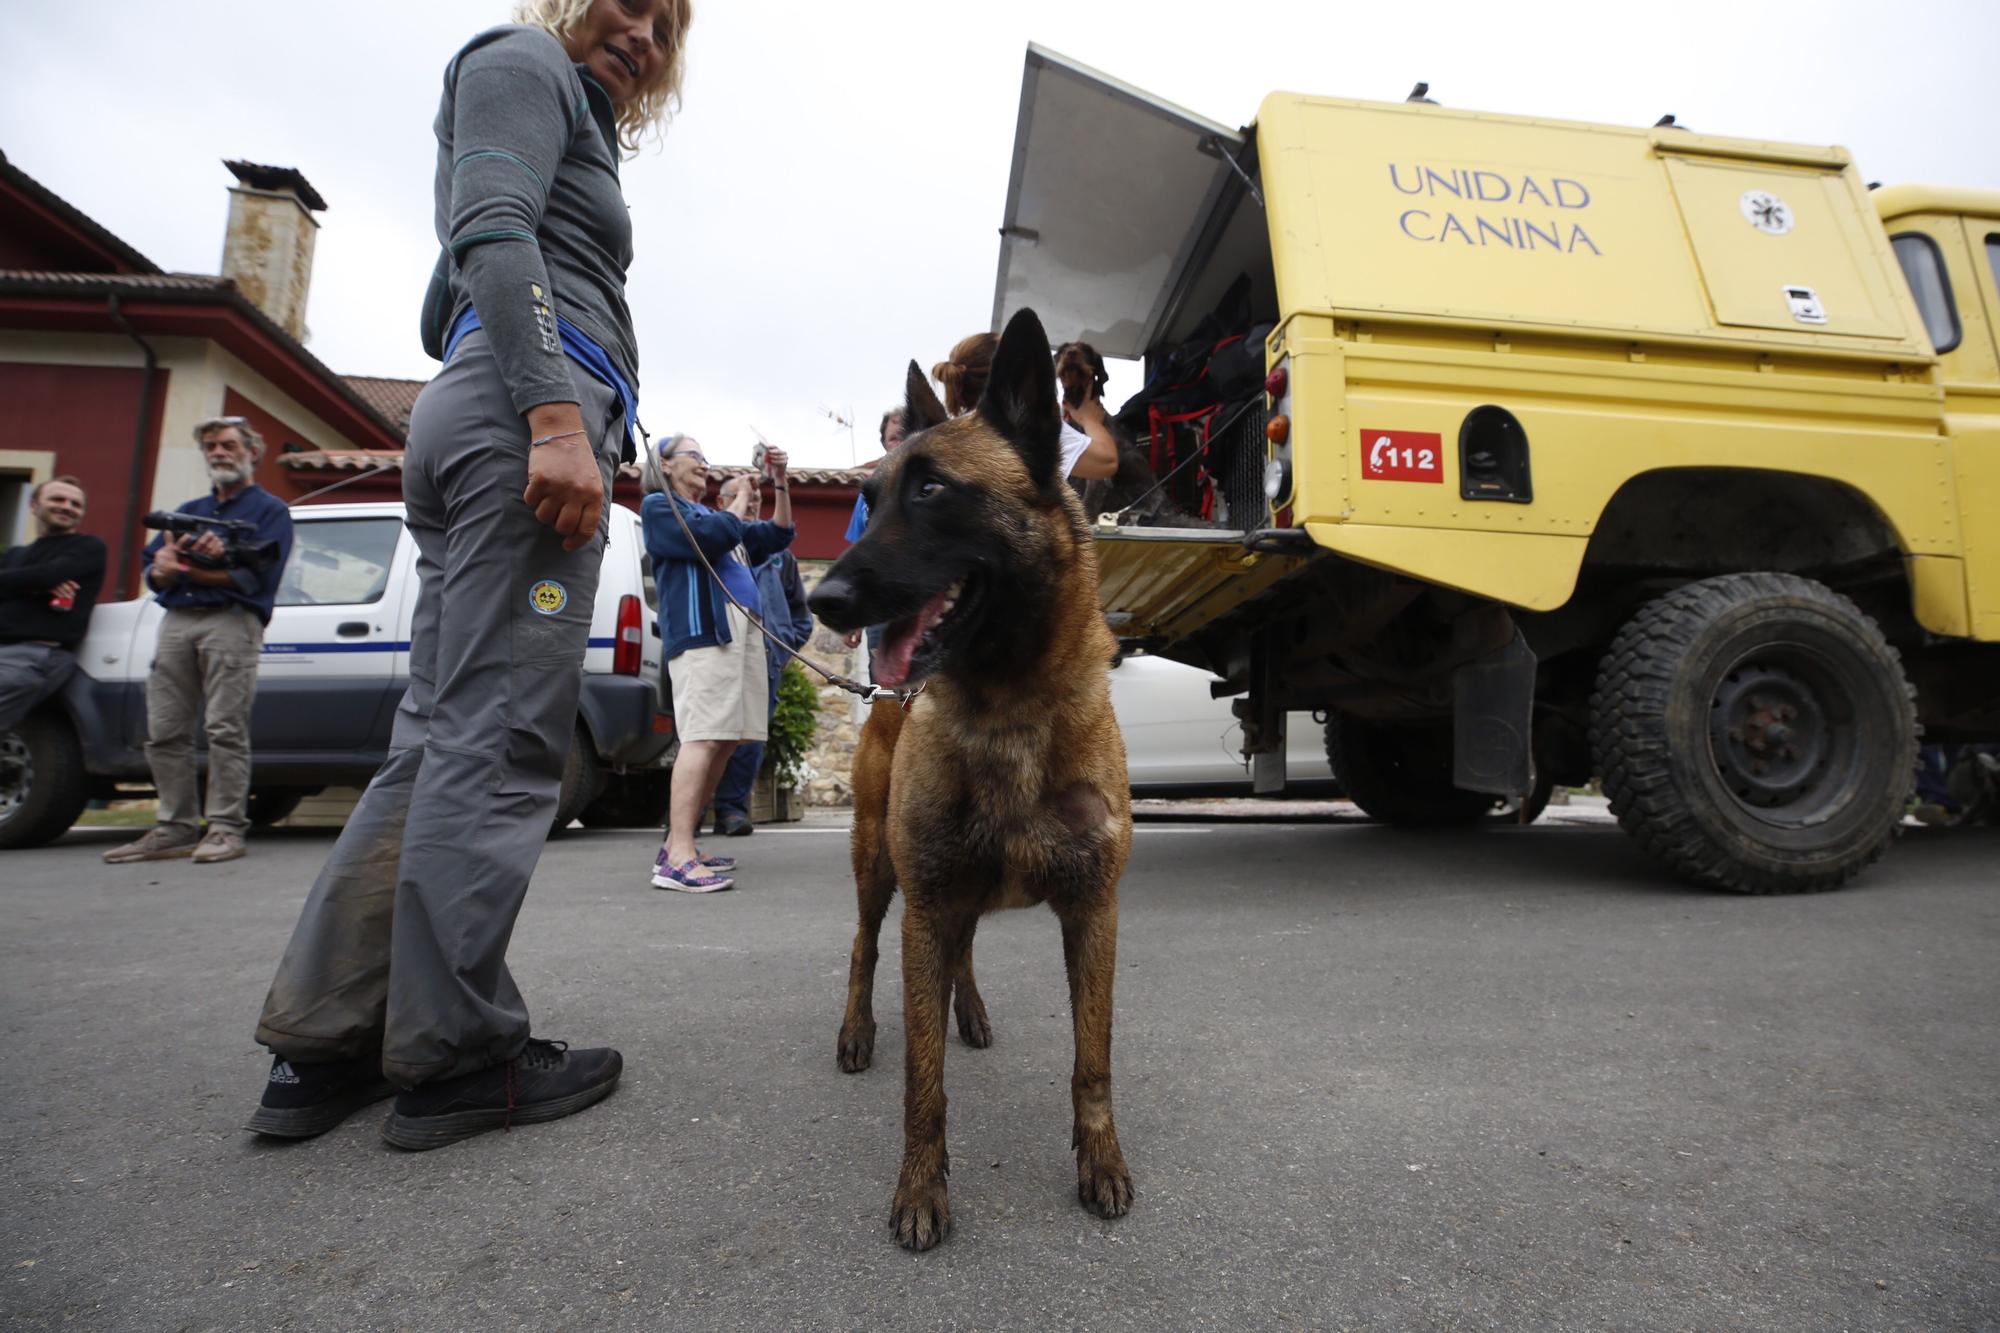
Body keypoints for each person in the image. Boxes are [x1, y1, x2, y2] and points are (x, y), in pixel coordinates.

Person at [249, 0, 692, 1150]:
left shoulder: (558, 98)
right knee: (498, 739)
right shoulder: (518, 58)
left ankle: (328, 1038)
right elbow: (490, 225)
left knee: (437, 737)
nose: (643, 32)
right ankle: (454, 1051)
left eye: (666, 23)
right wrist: (555, 416)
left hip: (491, 410)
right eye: (628, 2)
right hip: (519, 412)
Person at [102, 420, 293, 867]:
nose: (219, 452)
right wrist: (166, 567)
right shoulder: (188, 510)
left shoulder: (270, 512)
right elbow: (154, 571)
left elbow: (257, 578)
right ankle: (176, 826)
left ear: (252, 453)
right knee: (164, 729)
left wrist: (194, 566)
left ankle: (226, 828)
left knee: (225, 728)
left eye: (228, 444)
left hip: (231, 621)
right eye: (211, 446)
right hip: (176, 620)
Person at [641, 434, 795, 890]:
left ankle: (680, 843)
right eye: (695, 456)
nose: (704, 465)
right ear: (665, 465)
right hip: (705, 632)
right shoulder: (660, 506)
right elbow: (711, 538)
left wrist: (780, 483)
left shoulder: (710, 513)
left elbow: (777, 534)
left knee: (727, 739)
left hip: (740, 634)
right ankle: (678, 856)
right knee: (705, 736)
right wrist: (742, 497)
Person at [708, 472, 814, 836]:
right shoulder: (715, 545)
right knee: (711, 731)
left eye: (755, 499)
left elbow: (801, 614)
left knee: (750, 735)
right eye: (740, 497)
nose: (751, 503)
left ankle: (732, 810)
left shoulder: (780, 558)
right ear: (720, 504)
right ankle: (694, 810)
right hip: (720, 650)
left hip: (767, 657)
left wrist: (785, 647)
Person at [0, 477, 107, 734]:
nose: (67, 506)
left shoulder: (88, 547)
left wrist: (32, 583)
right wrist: (36, 585)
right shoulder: (15, 555)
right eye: (58, 499)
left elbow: (48, 575)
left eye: (76, 504)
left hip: (34, 655)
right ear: (34, 505)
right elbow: (44, 577)